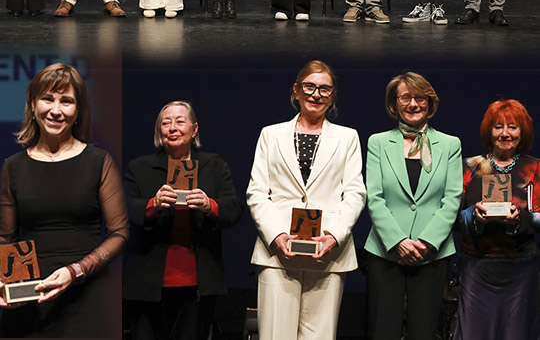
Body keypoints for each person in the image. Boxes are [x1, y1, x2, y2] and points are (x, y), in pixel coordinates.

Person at [0, 61, 128, 338]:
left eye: (66, 101)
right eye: (48, 99)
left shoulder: (99, 161)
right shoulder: (13, 167)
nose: (56, 110)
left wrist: (76, 271)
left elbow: (119, 233)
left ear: (78, 110)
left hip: (88, 296)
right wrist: (5, 282)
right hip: (30, 295)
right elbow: (6, 238)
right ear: (33, 104)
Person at [246, 60, 366, 340]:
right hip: (278, 253)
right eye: (310, 87)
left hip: (328, 254)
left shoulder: (347, 138)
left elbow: (355, 192)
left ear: (332, 96)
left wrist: (333, 236)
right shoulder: (270, 134)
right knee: (276, 335)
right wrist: (277, 235)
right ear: (296, 90)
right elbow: (257, 192)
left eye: (325, 89)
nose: (316, 94)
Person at [123, 100, 243, 340]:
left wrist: (210, 205)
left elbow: (234, 209)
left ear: (194, 129)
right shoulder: (139, 167)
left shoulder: (214, 166)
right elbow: (124, 209)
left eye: (180, 121)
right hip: (147, 282)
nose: (172, 128)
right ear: (159, 131)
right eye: (165, 123)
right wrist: (153, 205)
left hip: (198, 281)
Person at [365, 72, 462, 340]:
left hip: (432, 252)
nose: (413, 104)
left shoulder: (450, 144)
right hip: (386, 251)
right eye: (406, 97)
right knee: (383, 330)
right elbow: (374, 196)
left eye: (420, 98)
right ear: (394, 104)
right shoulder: (378, 142)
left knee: (424, 331)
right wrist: (398, 241)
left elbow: (452, 197)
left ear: (430, 103)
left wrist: (427, 242)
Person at [455, 99, 540, 340]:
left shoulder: (535, 168)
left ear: (522, 132)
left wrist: (520, 217)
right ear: (488, 132)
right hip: (477, 268)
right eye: (498, 127)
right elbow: (452, 219)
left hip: (521, 270)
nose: (505, 133)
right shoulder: (469, 167)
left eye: (512, 127)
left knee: (517, 334)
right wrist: (475, 215)